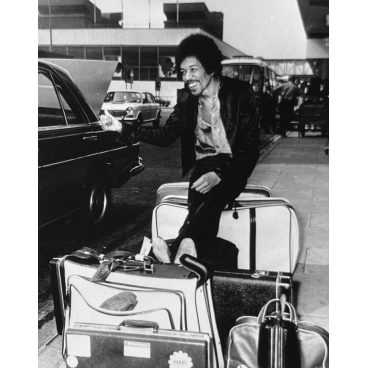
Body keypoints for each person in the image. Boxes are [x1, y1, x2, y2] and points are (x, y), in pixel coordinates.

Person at [100, 34, 260, 264]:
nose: (187, 77)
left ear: (210, 67)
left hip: (232, 167)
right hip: (203, 168)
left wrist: (221, 175)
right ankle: (180, 255)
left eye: (193, 70)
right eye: (183, 72)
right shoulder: (186, 100)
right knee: (199, 215)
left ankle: (171, 253)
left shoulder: (241, 93)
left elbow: (250, 149)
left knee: (212, 204)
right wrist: (120, 128)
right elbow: (165, 136)